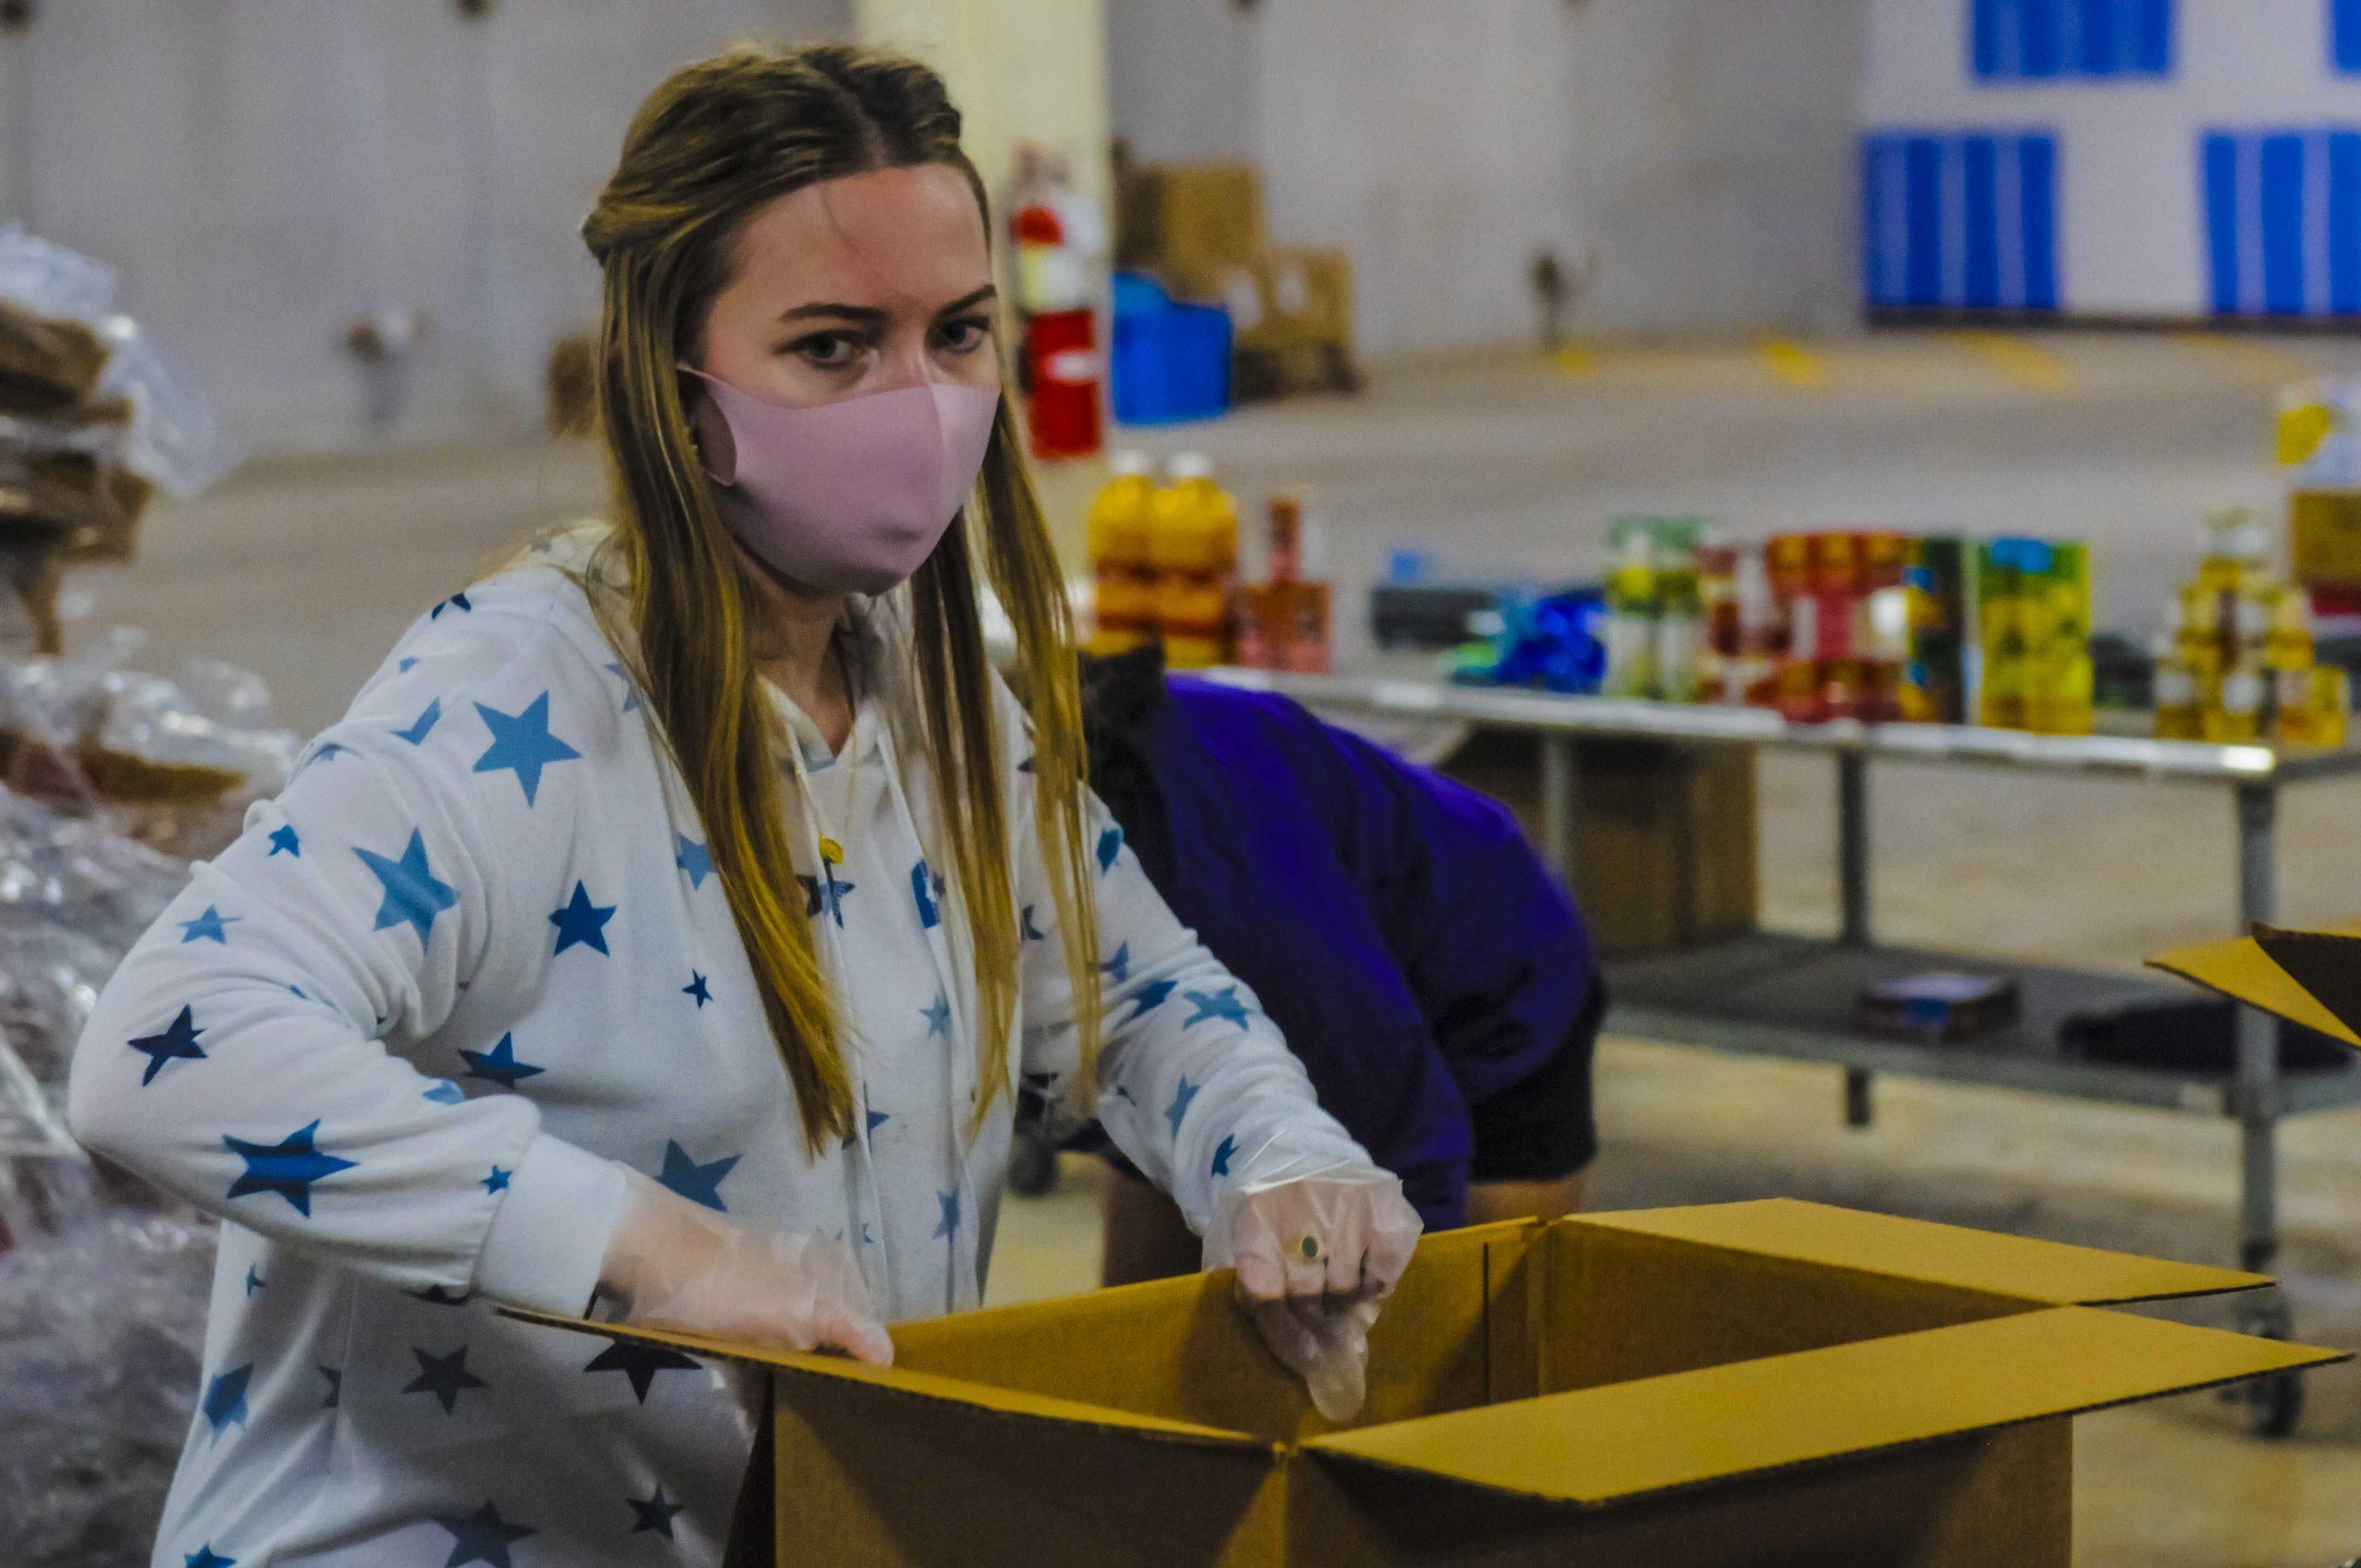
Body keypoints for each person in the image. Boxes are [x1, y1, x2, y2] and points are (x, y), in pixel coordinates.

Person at [65, 44, 1418, 1567]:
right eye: (834, 347)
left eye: (958, 331)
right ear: (678, 387)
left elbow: (1138, 998)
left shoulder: (937, 694)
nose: (919, 401)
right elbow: (162, 1049)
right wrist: (645, 1252)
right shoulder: (517, 702)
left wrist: (1279, 1155)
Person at [1075, 647, 1599, 1287]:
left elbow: (1403, 1125)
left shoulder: (1236, 892)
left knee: (1466, 1323)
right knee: (1141, 1326)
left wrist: (1392, 1317)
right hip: (1235, 934)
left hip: (1490, 972)